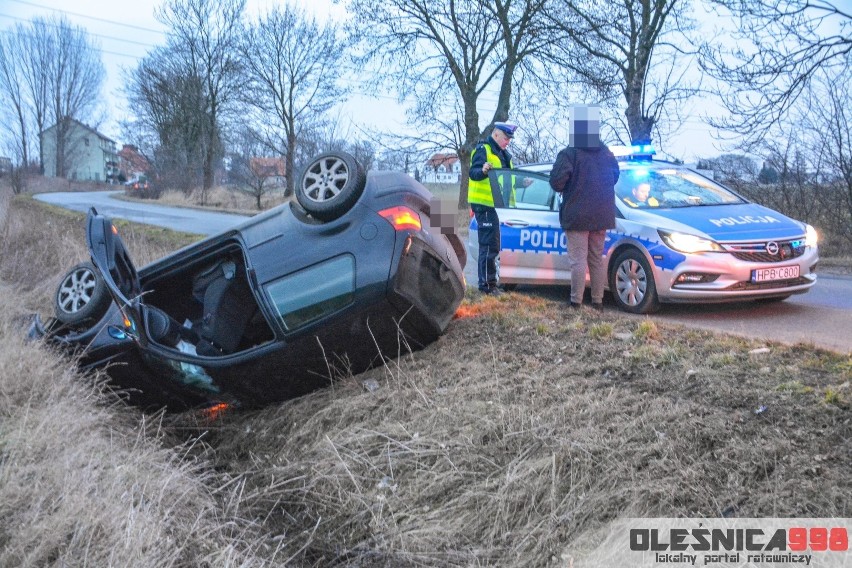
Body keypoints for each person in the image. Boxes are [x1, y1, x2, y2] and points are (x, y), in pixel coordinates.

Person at [549, 105, 620, 311]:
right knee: (596, 259)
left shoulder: (569, 153)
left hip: (577, 215)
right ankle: (598, 302)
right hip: (601, 215)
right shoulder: (606, 153)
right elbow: (615, 177)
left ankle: (576, 302)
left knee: (578, 260)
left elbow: (556, 182)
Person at [468, 121, 519, 295]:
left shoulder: (505, 155)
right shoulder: (484, 150)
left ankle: (490, 284)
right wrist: (482, 170)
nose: (507, 142)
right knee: (489, 247)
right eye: (505, 138)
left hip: (499, 208)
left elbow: (506, 182)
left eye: (509, 140)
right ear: (496, 134)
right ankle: (487, 286)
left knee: (493, 246)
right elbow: (473, 173)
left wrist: (521, 184)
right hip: (484, 206)